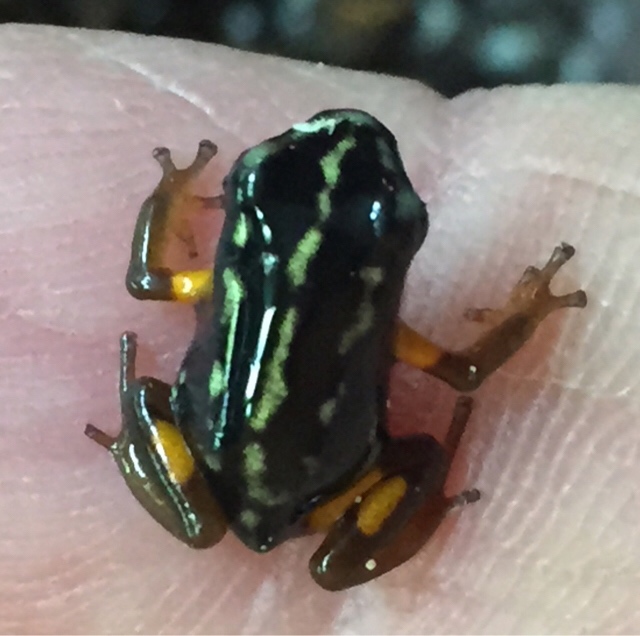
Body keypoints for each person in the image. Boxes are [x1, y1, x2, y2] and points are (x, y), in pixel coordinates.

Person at [0, 22, 636, 634]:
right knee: (419, 462)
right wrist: (528, 310)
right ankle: (417, 509)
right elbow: (467, 371)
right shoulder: (376, 328)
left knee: (146, 399)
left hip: (270, 486)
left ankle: (138, 449)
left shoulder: (219, 283)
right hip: (318, 496)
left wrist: (170, 194)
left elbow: (147, 277)